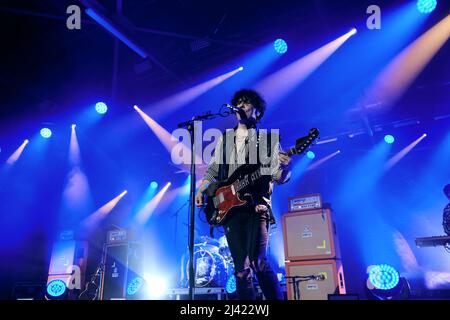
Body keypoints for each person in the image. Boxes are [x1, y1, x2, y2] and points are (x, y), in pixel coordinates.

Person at [195, 89, 292, 300]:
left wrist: (285, 167)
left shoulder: (267, 140)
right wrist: (202, 188)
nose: (241, 105)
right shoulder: (225, 139)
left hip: (257, 207)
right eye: (238, 102)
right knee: (241, 270)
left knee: (259, 262)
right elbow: (213, 169)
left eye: (246, 102)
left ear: (257, 111)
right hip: (231, 210)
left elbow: (278, 177)